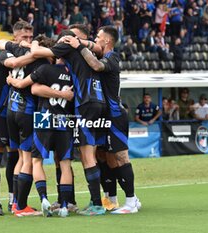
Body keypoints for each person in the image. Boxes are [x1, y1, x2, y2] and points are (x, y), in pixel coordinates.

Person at [64, 26, 141, 214]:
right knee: (104, 156)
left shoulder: (112, 57)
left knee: (121, 157)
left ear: (106, 41)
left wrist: (78, 45)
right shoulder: (101, 53)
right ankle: (112, 198)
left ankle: (131, 202)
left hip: (116, 115)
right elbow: (93, 48)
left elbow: (97, 66)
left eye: (98, 37)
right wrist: (82, 42)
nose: (95, 40)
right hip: (104, 115)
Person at [31, 24, 107, 216]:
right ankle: (71, 203)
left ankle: (95, 204)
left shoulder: (60, 52)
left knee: (82, 156)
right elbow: (98, 48)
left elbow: (36, 59)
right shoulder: (87, 54)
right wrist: (83, 42)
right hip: (88, 106)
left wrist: (31, 43)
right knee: (74, 159)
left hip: (73, 108)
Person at [6, 32, 75, 217]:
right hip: (65, 119)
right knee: (65, 163)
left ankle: (43, 198)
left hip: (43, 117)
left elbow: (31, 87)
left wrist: (11, 80)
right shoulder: (74, 74)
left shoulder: (45, 70)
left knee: (36, 161)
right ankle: (64, 206)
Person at [0, 21, 36, 216]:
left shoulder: (28, 54)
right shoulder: (6, 53)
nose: (28, 41)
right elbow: (12, 63)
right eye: (25, 37)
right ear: (15, 38)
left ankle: (12, 199)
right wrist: (35, 52)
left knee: (15, 157)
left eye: (31, 38)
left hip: (16, 112)